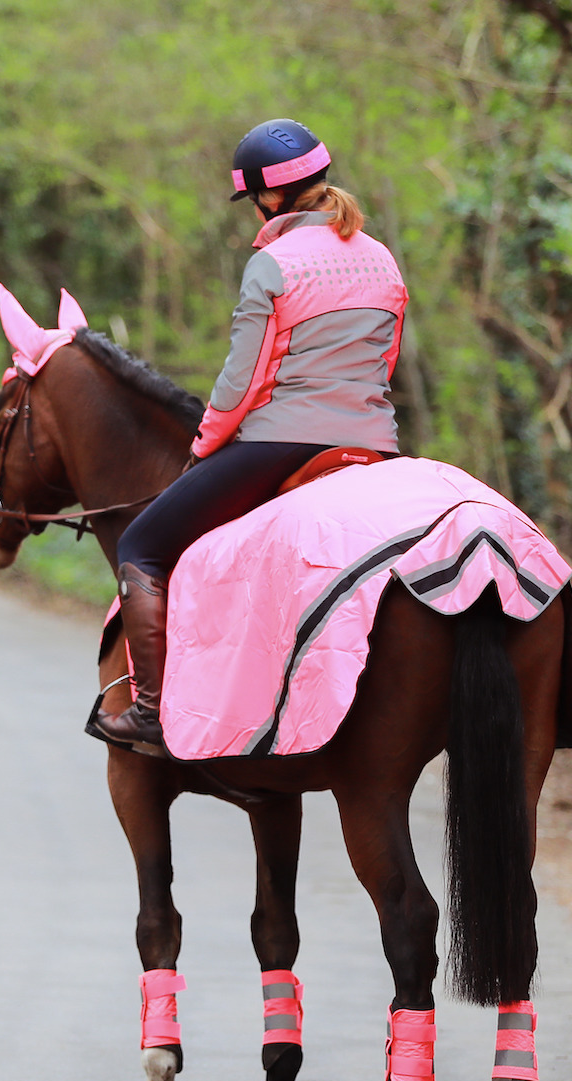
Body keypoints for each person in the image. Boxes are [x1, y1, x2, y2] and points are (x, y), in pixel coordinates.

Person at [92, 118, 410, 752]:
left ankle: (153, 714)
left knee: (143, 544)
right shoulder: (380, 255)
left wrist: (205, 444)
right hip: (375, 443)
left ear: (268, 197)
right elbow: (386, 358)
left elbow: (244, 381)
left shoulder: (273, 263)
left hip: (282, 442)